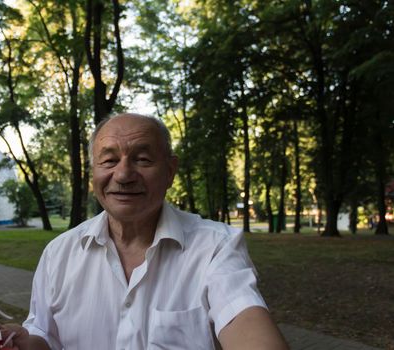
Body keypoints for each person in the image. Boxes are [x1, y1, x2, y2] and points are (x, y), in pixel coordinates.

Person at [23, 113, 289, 349]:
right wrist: (25, 343)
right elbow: (44, 334)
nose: (124, 174)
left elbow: (242, 317)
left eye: (142, 159)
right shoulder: (59, 254)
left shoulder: (216, 248)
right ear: (94, 171)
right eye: (109, 160)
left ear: (170, 171)